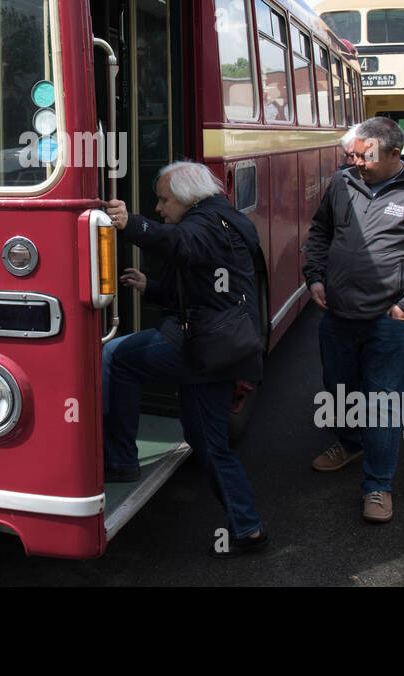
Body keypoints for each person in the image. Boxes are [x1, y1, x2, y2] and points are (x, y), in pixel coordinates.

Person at [102, 161, 268, 557]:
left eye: (163, 199)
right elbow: (204, 287)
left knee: (116, 356)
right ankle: (247, 527)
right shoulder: (223, 218)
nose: (160, 207)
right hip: (220, 352)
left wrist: (131, 224)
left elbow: (177, 243)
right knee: (208, 444)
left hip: (204, 349)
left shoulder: (205, 224)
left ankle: (122, 459)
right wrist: (152, 288)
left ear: (187, 195)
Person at [303, 116, 404, 523]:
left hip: (389, 319)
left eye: (364, 157)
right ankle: (349, 442)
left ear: (394, 153)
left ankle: (377, 486)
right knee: (338, 389)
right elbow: (320, 231)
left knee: (383, 403)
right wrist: (315, 277)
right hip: (337, 313)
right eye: (352, 155)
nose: (356, 162)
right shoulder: (342, 183)